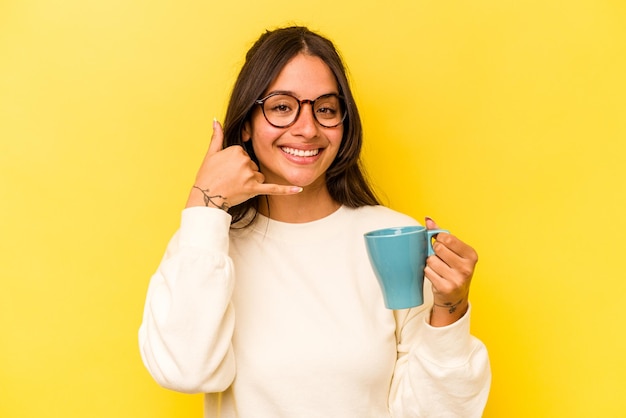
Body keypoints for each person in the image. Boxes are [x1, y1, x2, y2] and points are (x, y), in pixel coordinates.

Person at [139, 26, 491, 418]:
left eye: (325, 109)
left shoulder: (391, 238)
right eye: (281, 106)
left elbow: (436, 413)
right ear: (246, 125)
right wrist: (204, 203)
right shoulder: (207, 243)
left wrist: (451, 308)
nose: (307, 129)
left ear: (344, 123)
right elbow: (186, 372)